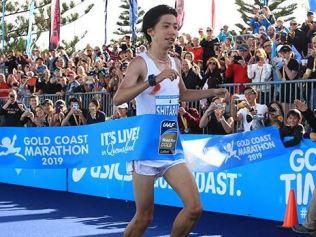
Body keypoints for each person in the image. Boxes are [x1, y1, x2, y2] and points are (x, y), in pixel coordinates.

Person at [113, 5, 227, 237]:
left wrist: (212, 92)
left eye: (175, 26)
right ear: (151, 31)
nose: (172, 31)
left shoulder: (175, 62)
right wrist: (153, 80)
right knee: (144, 217)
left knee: (194, 208)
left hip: (170, 142)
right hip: (145, 148)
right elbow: (118, 98)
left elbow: (182, 95)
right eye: (166, 26)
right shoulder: (140, 63)